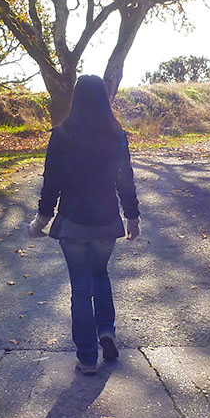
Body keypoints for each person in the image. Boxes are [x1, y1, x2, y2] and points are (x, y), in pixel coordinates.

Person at [27, 75, 141, 376]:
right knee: (100, 274)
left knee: (80, 287)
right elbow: (124, 179)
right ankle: (107, 330)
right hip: (106, 222)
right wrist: (133, 216)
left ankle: (88, 357)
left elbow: (52, 180)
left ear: (75, 99)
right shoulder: (116, 135)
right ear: (105, 99)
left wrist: (42, 218)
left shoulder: (62, 135)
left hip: (73, 223)